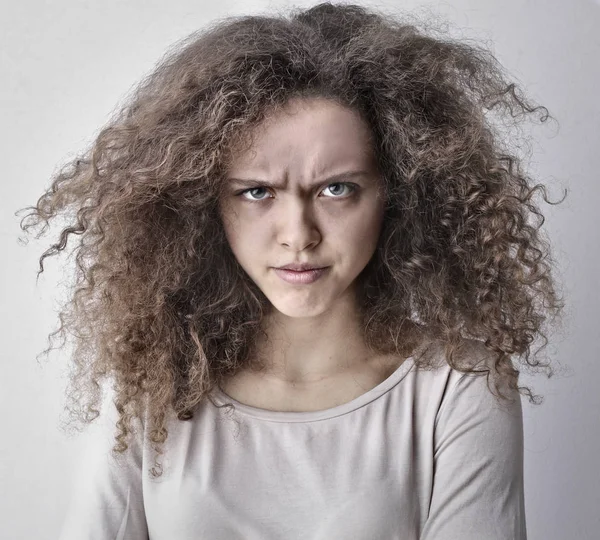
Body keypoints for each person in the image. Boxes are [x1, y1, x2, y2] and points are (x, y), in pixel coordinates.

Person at [17, 2, 566, 539]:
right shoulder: (152, 386)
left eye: (336, 189)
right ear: (206, 205)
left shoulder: (459, 384)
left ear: (396, 195)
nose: (298, 234)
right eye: (257, 192)